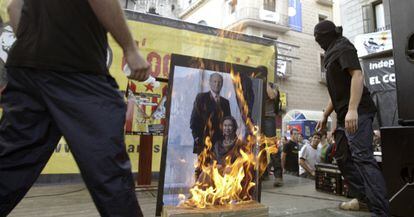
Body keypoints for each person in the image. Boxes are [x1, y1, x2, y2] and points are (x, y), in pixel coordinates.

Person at [0, 0, 150, 216]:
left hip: (26, 68)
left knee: (11, 162)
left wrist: (33, 44)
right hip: (76, 69)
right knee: (108, 168)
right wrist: (130, 48)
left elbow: (14, 8)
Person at [314, 20, 389, 216]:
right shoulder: (331, 53)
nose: (317, 42)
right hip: (344, 114)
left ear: (327, 35)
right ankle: (364, 198)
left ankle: (381, 210)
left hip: (358, 112)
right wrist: (325, 115)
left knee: (363, 158)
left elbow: (357, 75)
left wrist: (353, 109)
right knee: (342, 157)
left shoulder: (343, 47)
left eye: (318, 38)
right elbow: (336, 92)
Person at [190, 73, 231, 155]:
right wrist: (197, 138)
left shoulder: (225, 102)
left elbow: (228, 122)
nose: (217, 84)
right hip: (204, 142)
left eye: (219, 82)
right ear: (210, 82)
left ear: (222, 84)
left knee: (219, 167)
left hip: (220, 144)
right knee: (203, 167)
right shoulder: (201, 98)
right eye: (215, 81)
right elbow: (194, 120)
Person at [262, 82, 283, 187]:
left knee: (272, 148)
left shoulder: (273, 86)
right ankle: (263, 173)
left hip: (268, 118)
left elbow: (272, 95)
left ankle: (278, 176)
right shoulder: (255, 83)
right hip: (257, 118)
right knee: (259, 148)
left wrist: (265, 83)